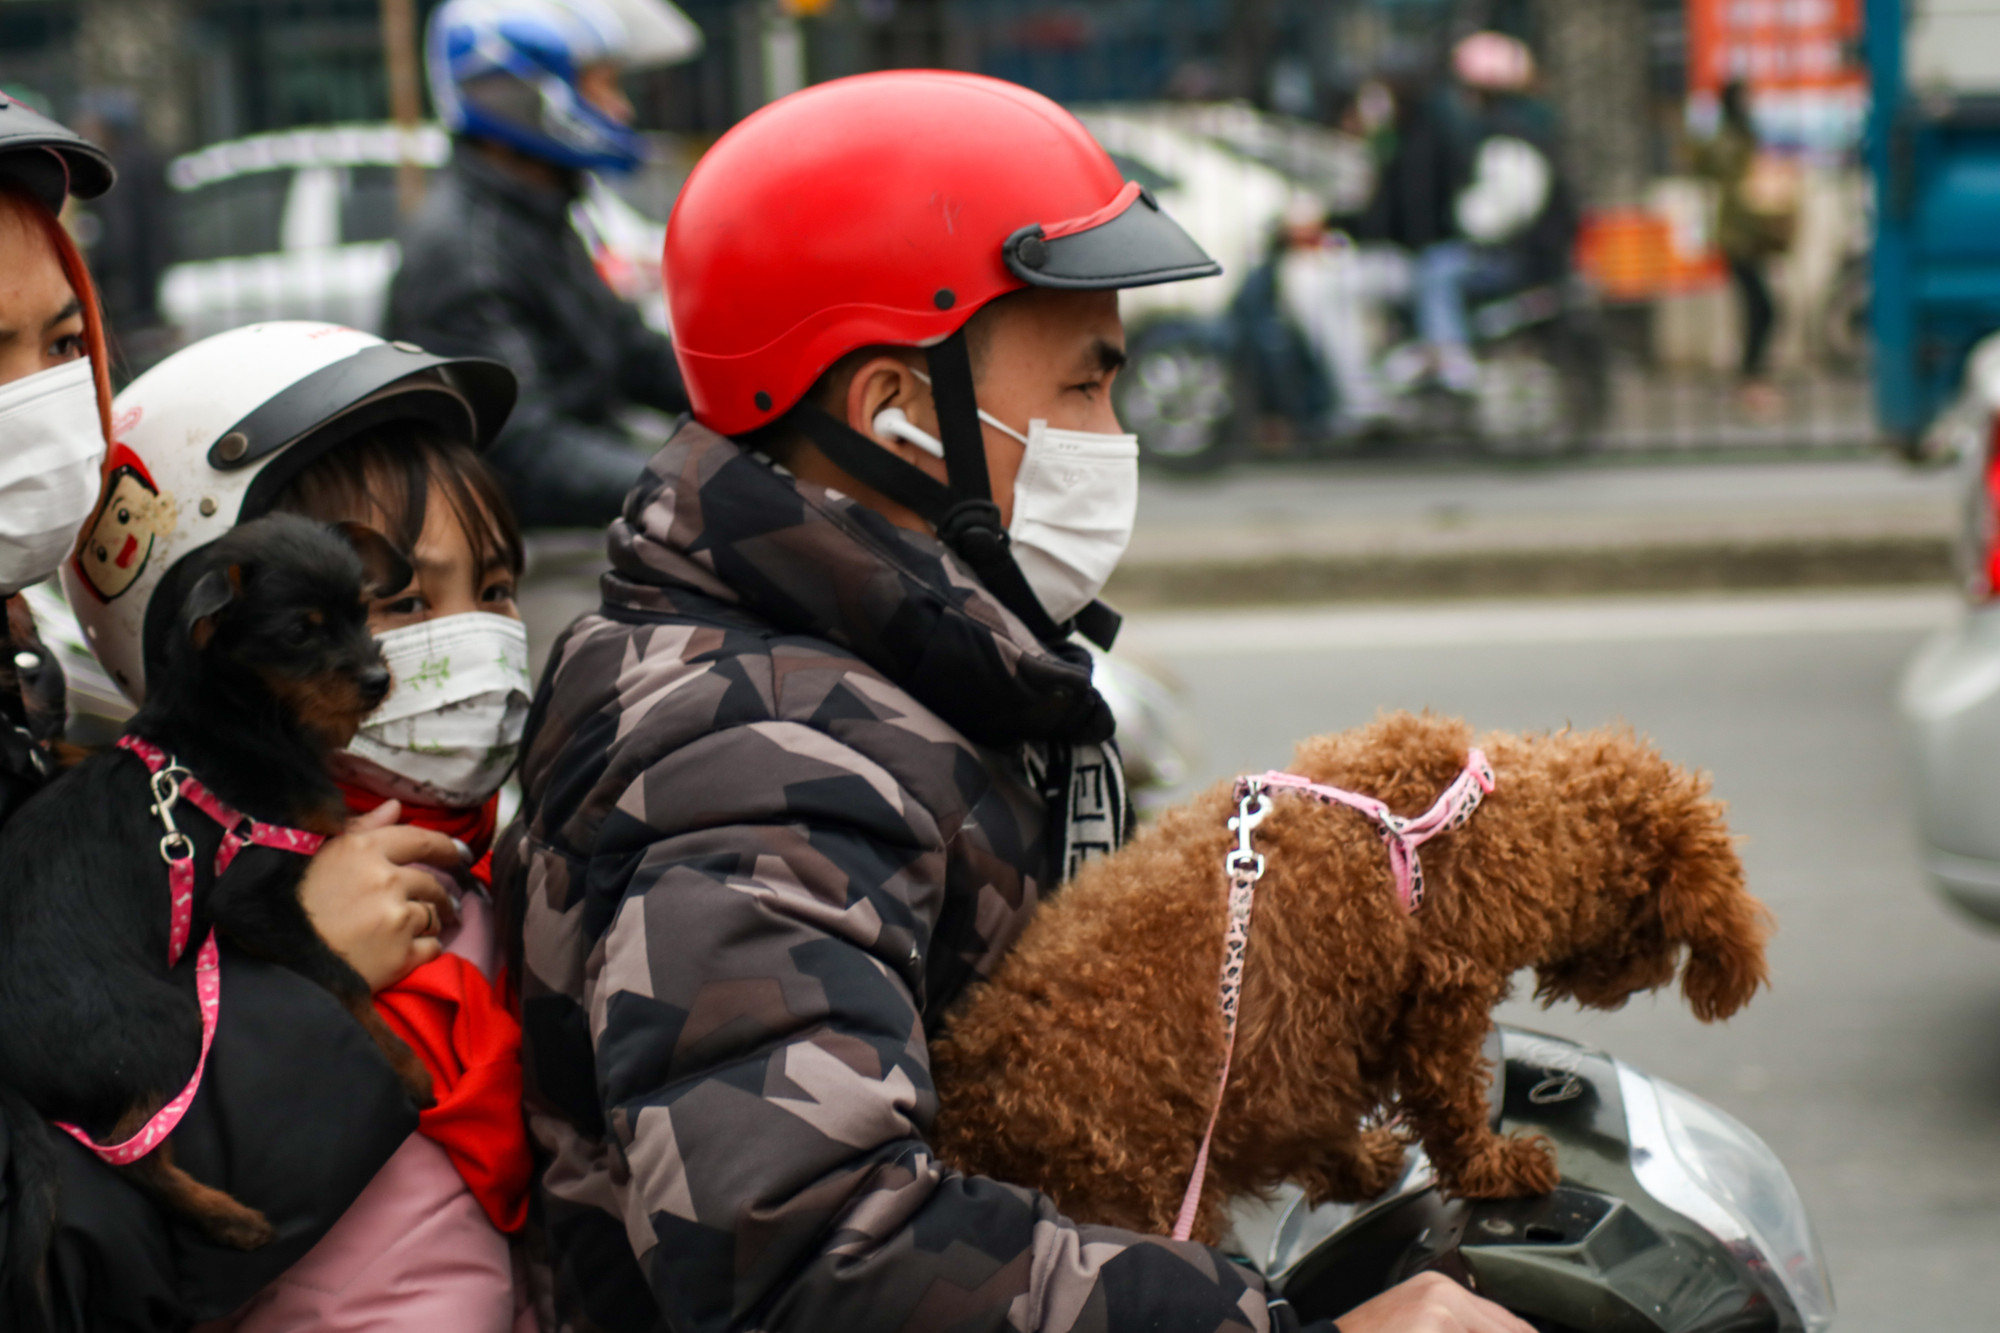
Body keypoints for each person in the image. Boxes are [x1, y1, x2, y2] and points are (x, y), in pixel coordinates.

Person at [497, 70, 1535, 1333]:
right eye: (1085, 385)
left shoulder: (880, 676)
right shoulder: (754, 754)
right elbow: (804, 1244)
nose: (1112, 431)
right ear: (896, 413)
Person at [65, 321, 537, 1331]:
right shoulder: (151, 929)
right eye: (397, 602)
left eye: (494, 589)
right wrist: (300, 984)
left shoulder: (512, 867)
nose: (477, 640)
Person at [385, 0, 690, 530]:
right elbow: (527, 449)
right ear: (523, 95)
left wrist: (769, 408)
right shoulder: (468, 252)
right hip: (520, 549)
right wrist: (691, 489)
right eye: (600, 87)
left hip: (573, 521)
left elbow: (631, 353)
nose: (621, 110)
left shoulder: (536, 213)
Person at [1692, 81, 1791, 420]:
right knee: (1760, 309)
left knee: (1761, 309)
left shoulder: (1744, 136)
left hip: (1750, 236)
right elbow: (1706, 168)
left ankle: (1752, 377)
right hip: (1738, 239)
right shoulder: (1728, 141)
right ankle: (1750, 380)